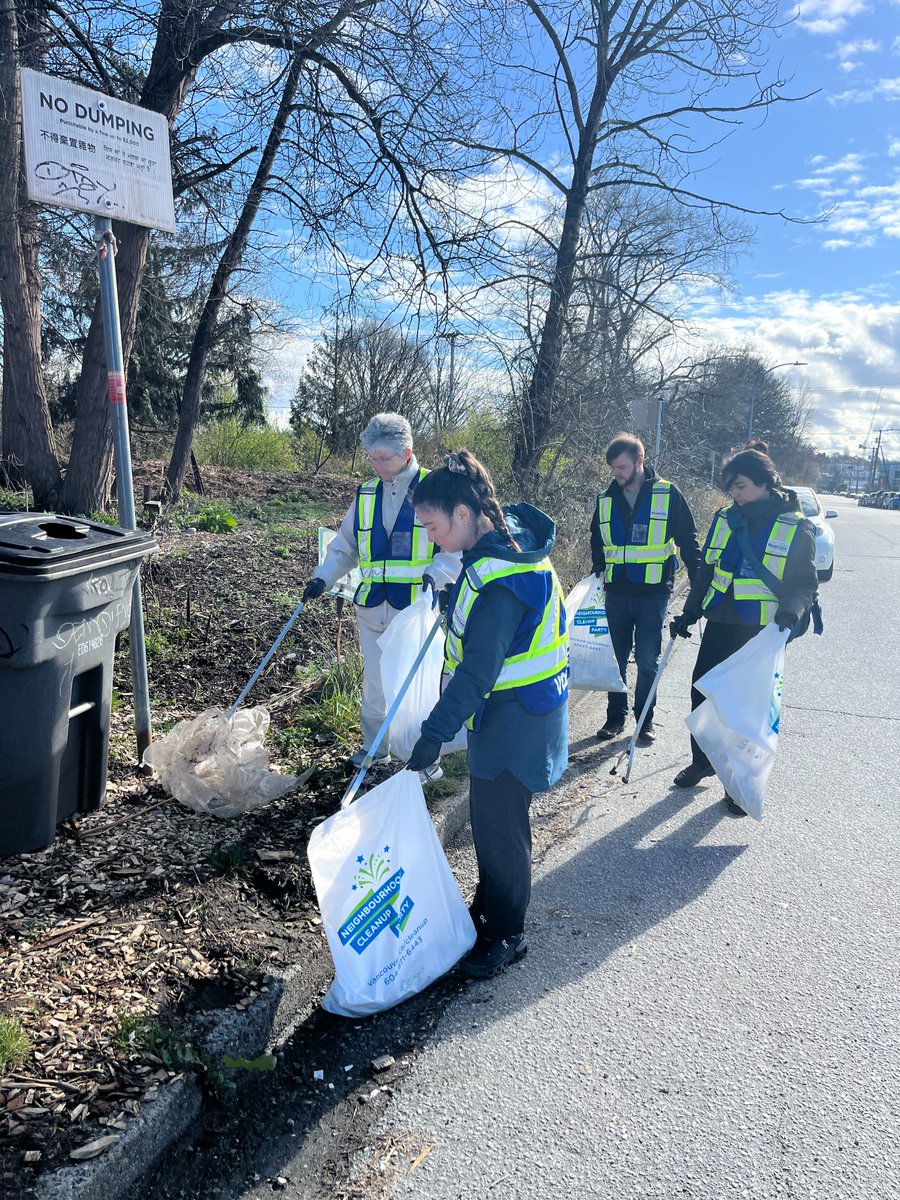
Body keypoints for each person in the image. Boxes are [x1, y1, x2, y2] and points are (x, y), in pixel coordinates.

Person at [405, 451, 569, 979]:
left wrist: (432, 737)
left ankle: (507, 933)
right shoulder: (500, 544)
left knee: (501, 829)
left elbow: (478, 674)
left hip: (514, 720)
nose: (431, 538)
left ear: (461, 513)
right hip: (512, 712)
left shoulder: (502, 583)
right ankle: (489, 904)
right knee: (490, 821)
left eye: (431, 526)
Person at [301, 413, 460, 768]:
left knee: (417, 686)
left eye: (383, 458)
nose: (376, 464)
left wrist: (436, 579)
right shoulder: (367, 492)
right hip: (372, 608)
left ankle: (422, 755)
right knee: (375, 688)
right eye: (372, 457)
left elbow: (452, 548)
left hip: (416, 610)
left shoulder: (434, 489)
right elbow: (345, 546)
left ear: (406, 452)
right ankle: (375, 750)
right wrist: (322, 577)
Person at [669, 441, 818, 816]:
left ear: (765, 484)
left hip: (761, 632)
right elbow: (706, 571)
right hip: (721, 621)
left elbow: (804, 582)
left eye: (741, 487)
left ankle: (738, 785)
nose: (734, 494)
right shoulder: (724, 518)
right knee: (702, 694)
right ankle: (703, 761)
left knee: (745, 712)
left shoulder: (793, 526)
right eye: (731, 488)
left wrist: (791, 610)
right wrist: (689, 613)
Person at [589, 433, 701, 744]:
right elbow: (597, 542)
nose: (617, 474)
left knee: (648, 660)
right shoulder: (605, 499)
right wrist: (596, 572)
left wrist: (699, 582)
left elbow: (688, 539)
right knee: (616, 660)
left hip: (653, 595)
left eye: (622, 467)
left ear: (640, 461)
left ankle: (645, 720)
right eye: (613, 468)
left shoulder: (667, 494)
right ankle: (615, 718)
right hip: (617, 594)